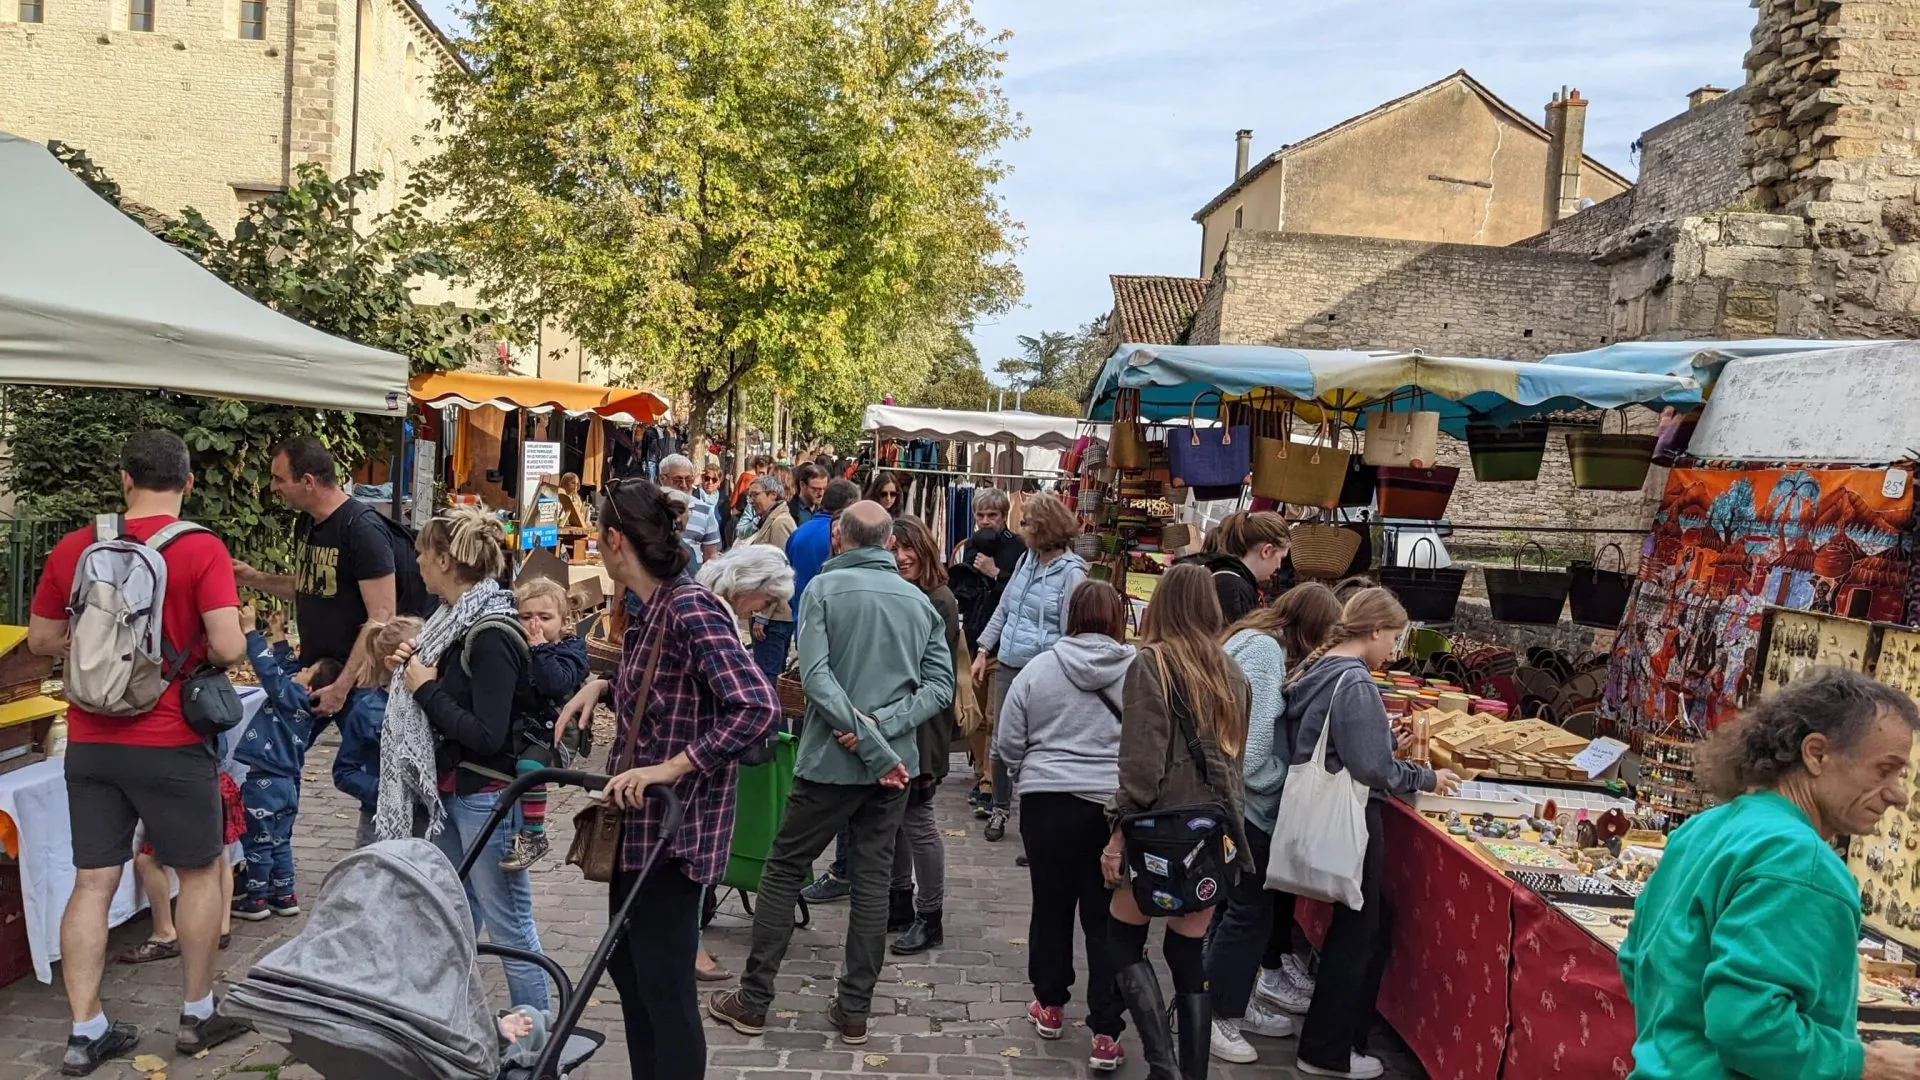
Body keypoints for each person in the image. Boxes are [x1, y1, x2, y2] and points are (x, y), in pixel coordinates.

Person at [26, 430, 251, 1073]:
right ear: (188, 483)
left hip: (91, 741)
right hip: (171, 741)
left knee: (93, 882)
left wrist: (100, 652)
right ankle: (198, 1014)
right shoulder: (202, 548)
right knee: (201, 871)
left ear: (124, 480)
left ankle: (85, 1029)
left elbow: (43, 638)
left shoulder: (78, 545)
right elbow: (230, 647)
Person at [556, 478, 781, 1079]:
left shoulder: (688, 606)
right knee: (630, 971)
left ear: (611, 540)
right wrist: (603, 687)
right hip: (639, 827)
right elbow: (669, 696)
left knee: (664, 985)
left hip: (676, 835)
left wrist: (673, 766)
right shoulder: (647, 608)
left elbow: (758, 708)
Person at [708, 501, 954, 1048]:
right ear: (889, 544)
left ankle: (754, 999)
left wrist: (864, 735)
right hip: (892, 769)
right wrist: (885, 734)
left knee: (784, 868)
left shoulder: (822, 590)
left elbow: (815, 678)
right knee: (871, 881)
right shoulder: (918, 602)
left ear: (839, 538)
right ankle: (854, 1010)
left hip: (832, 765)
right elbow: (940, 688)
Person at [1620, 669, 1920, 1080]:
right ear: (1816, 754)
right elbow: (1749, 1026)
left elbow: (1637, 962)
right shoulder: (1802, 863)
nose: (1897, 794)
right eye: (1884, 769)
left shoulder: (1707, 827)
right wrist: (1869, 1064)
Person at [1281, 588, 1459, 1080]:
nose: (1395, 649)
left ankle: (1328, 1044)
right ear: (1376, 630)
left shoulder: (1318, 668)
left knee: (1358, 929)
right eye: (1395, 637)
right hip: (1351, 815)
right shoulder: (1353, 679)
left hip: (1326, 808)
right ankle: (1328, 1050)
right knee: (1358, 933)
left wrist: (1383, 742)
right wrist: (1425, 777)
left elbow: (1351, 745)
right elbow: (1369, 767)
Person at [380, 506, 549, 1011]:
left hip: (489, 795)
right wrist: (415, 667)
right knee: (451, 910)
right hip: (457, 792)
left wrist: (426, 689)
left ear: (447, 559)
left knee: (510, 924)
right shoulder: (452, 623)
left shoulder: (491, 633)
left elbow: (486, 733)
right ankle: (439, 1012)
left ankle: (541, 1038)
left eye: (421, 552)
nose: (416, 562)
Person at [1102, 563, 1252, 1080]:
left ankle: (1163, 1066)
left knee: (1122, 939)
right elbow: (1238, 760)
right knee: (1186, 949)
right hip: (1212, 829)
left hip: (1158, 829)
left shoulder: (1153, 664)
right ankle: (1190, 1073)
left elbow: (1140, 764)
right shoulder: (1230, 670)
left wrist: (1119, 829)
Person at [996, 581, 1136, 1072]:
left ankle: (1050, 1004)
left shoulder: (1038, 668)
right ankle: (1105, 1032)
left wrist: (1027, 773)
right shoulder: (1138, 671)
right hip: (1110, 810)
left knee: (1051, 908)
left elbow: (1007, 740)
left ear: (1071, 616)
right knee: (1106, 921)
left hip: (1047, 804)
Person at [1205, 582, 1343, 1064]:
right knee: (1249, 913)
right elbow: (1255, 745)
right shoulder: (1265, 651)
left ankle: (1225, 1004)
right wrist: (1291, 779)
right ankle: (1217, 1016)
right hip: (1248, 805)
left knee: (1234, 909)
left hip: (1232, 800)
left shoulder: (1252, 638)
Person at [232, 436, 401, 718]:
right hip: (314, 677)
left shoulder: (361, 529)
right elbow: (310, 586)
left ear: (308, 481)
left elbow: (382, 616)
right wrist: (254, 577)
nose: (273, 487)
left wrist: (342, 687)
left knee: (351, 763)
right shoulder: (307, 522)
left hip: (357, 686)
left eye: (279, 479)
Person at [693, 542, 797, 980]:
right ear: (748, 586)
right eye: (767, 600)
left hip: (701, 746)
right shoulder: (711, 613)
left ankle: (688, 937)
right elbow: (752, 703)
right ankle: (689, 945)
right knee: (695, 849)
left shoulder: (713, 608)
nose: (765, 610)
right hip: (702, 748)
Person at [971, 492, 1087, 842]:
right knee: (1002, 742)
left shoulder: (1072, 573)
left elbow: (1071, 628)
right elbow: (1005, 609)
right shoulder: (1026, 562)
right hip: (1010, 663)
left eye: (1028, 522)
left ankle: (1037, 826)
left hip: (1046, 671)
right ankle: (1000, 808)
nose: (1022, 529)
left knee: (1040, 749)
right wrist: (982, 649)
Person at [231, 604, 341, 921]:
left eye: (305, 671)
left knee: (258, 841)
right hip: (288, 785)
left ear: (307, 686)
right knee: (280, 840)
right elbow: (286, 667)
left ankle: (256, 899)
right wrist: (278, 635)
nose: (298, 671)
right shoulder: (304, 702)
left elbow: (269, 671)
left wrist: (251, 631)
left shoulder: (289, 695)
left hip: (264, 783)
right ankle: (285, 894)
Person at [886, 516, 959, 955]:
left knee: (917, 820)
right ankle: (898, 902)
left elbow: (919, 667)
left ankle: (930, 915)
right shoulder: (898, 592)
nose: (901, 557)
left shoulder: (939, 599)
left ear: (925, 550)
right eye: (893, 549)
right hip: (897, 723)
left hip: (923, 727)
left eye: (908, 548)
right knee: (894, 818)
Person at [501, 578, 590, 871]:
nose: (534, 624)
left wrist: (540, 650)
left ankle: (534, 835)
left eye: (545, 617)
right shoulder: (517, 645)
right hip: (525, 730)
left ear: (565, 621)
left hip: (557, 735)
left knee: (529, 769)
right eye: (526, 617)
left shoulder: (571, 650)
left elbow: (556, 684)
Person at [950, 487, 1024, 817]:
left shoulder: (1018, 547)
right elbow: (962, 590)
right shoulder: (970, 546)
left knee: (996, 717)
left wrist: (996, 573)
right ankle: (981, 774)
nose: (985, 521)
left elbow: (1020, 595)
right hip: (974, 636)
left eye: (991, 515)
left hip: (1003, 643)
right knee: (975, 715)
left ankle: (991, 783)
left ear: (1004, 516)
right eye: (980, 515)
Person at [332, 617, 423, 847]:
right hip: (378, 822)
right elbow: (344, 771)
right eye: (422, 655)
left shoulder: (435, 702)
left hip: (426, 821)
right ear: (393, 663)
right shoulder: (366, 710)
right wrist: (383, 790)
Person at [1180, 511, 1291, 625]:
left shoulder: (1228, 579)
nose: (1279, 566)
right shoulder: (1232, 587)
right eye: (1281, 558)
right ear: (1266, 551)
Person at [741, 475, 800, 680]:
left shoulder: (780, 522)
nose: (752, 501)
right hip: (769, 615)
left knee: (768, 677)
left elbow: (781, 571)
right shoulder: (770, 520)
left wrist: (764, 615)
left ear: (772, 495)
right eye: (749, 496)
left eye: (755, 495)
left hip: (775, 617)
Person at [660, 454, 722, 563]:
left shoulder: (705, 511)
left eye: (688, 480)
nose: (684, 485)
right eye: (678, 480)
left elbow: (711, 556)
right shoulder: (649, 507)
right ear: (662, 479)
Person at [788, 461, 828, 526]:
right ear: (802, 485)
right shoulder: (789, 511)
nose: (821, 494)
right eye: (815, 489)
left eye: (824, 489)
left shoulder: (825, 510)